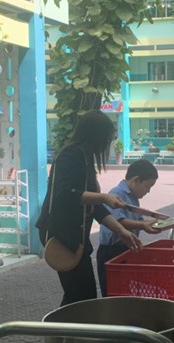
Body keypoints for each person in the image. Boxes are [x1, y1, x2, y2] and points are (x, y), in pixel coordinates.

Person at [37, 110, 142, 306]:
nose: (107, 145)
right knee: (80, 297)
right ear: (95, 136)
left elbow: (95, 206)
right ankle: (57, 326)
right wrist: (104, 197)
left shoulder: (84, 158)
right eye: (106, 139)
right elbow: (65, 194)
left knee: (81, 296)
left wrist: (121, 231)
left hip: (77, 236)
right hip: (62, 235)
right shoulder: (70, 156)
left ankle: (61, 325)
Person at [96, 159, 163, 297]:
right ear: (136, 180)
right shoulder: (117, 193)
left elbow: (136, 220)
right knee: (111, 291)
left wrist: (148, 224)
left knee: (125, 291)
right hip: (111, 251)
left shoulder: (133, 197)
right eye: (147, 187)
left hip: (125, 248)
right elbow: (119, 221)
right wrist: (143, 225)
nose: (148, 191)